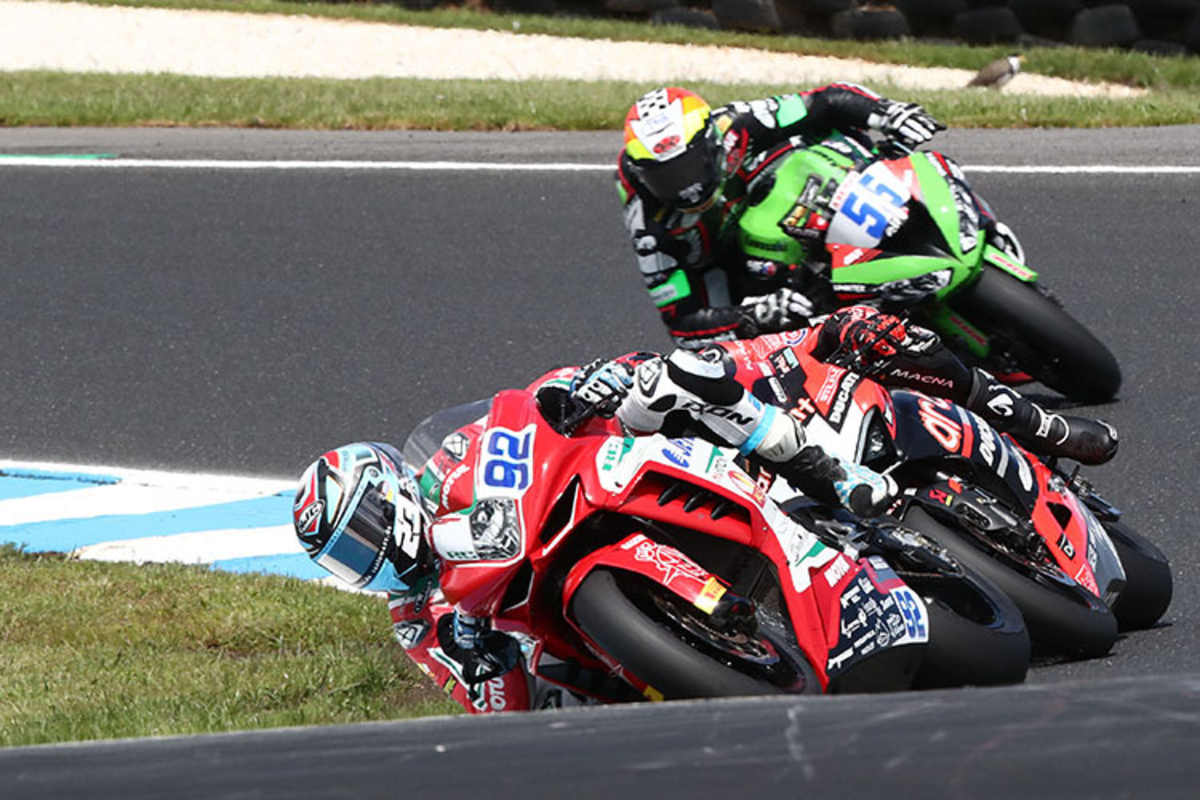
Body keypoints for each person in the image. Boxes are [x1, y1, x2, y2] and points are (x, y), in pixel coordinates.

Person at [291, 307, 1116, 714]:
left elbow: (527, 411)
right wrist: (491, 673)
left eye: (363, 532)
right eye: (348, 559)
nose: (371, 557)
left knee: (674, 382)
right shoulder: (420, 621)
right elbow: (501, 704)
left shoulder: (456, 462)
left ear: (389, 488)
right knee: (567, 694)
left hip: (608, 476)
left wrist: (583, 389)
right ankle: (744, 652)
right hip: (576, 620)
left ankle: (817, 464)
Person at [616, 84, 1024, 349]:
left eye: (688, 168)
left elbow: (822, 102)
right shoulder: (649, 222)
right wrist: (752, 315)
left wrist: (885, 112)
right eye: (665, 177)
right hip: (732, 262)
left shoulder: (735, 124)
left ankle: (973, 218)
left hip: (785, 191)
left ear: (710, 143)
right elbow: (682, 322)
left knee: (852, 145)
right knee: (716, 355)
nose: (683, 187)